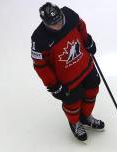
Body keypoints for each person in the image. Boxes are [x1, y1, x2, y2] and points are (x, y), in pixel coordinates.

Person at [31, 3, 104, 142]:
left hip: (85, 64)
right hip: (66, 78)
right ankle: (75, 123)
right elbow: (40, 66)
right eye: (54, 23)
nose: (58, 24)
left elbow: (81, 26)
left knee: (93, 88)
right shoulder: (38, 39)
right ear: (45, 22)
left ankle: (86, 117)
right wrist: (53, 86)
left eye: (59, 20)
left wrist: (87, 41)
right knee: (73, 101)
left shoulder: (69, 14)